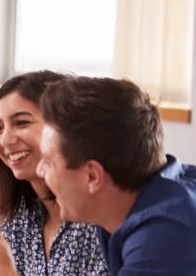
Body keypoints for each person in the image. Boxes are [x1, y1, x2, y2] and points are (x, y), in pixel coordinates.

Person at [35, 77, 196, 275]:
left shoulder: (163, 239)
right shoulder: (157, 197)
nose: (39, 171)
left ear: (92, 177)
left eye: (48, 162)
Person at [0, 72, 108, 276]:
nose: (6, 140)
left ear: (62, 128)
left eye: (21, 123)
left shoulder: (100, 222)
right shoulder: (16, 221)